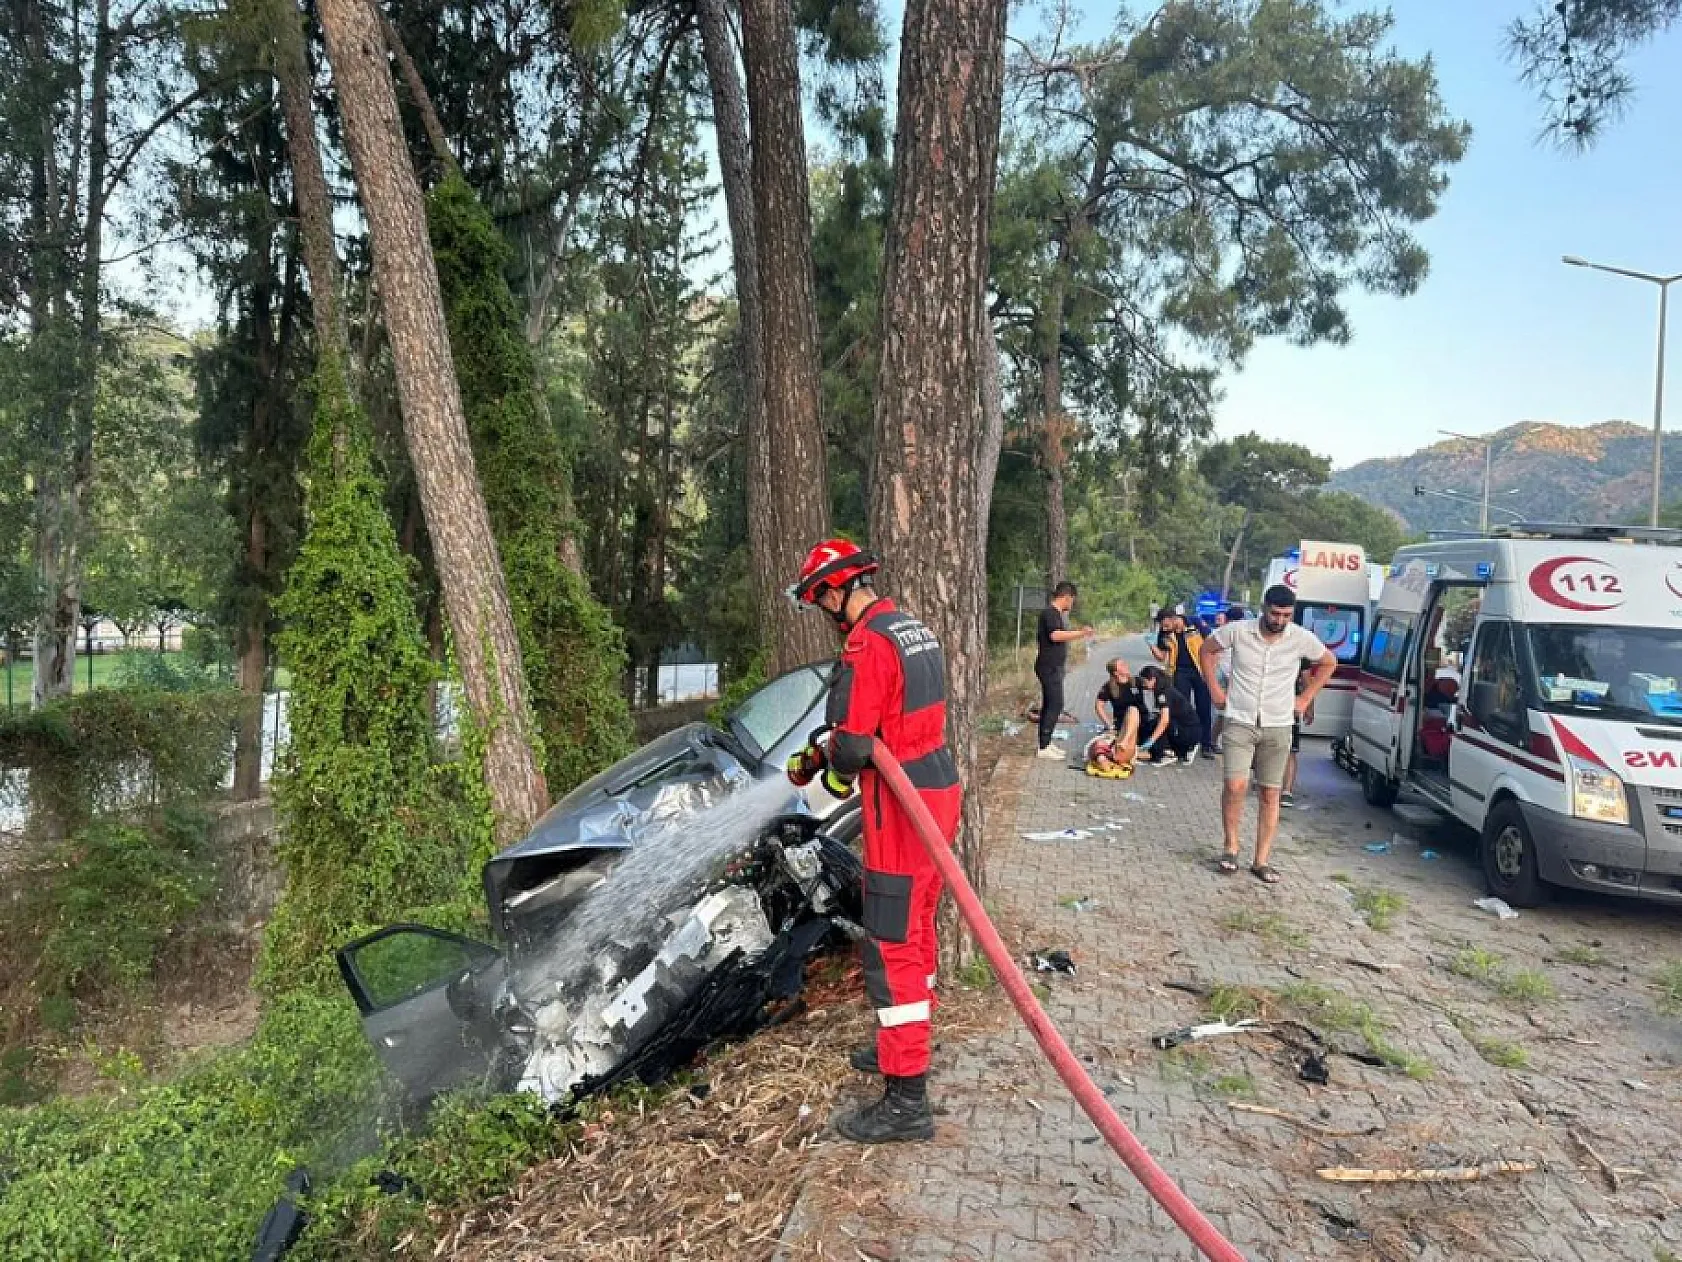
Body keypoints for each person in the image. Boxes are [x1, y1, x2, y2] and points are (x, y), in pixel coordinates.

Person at [785, 539, 961, 1144]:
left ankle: (906, 1098)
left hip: (900, 806)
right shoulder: (914, 628)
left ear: (836, 591)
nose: (825, 613)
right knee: (917, 926)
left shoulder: (866, 643)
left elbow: (855, 746)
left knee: (890, 944)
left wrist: (822, 768)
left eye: (821, 601)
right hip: (939, 790)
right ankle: (907, 1042)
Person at [1199, 585, 1335, 883]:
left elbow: (1328, 662)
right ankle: (1231, 847)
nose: (1280, 620)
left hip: (1278, 722)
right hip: (1239, 718)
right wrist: (1214, 689)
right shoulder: (1237, 631)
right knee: (1235, 785)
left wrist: (1305, 699)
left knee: (1270, 791)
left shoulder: (1300, 637)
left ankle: (1261, 860)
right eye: (1275, 613)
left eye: (1286, 615)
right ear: (1264, 608)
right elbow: (1206, 650)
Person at [1034, 581, 1095, 761]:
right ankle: (1043, 746)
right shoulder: (1050, 613)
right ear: (1066, 597)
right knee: (1055, 704)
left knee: (1050, 704)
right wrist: (1081, 633)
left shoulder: (1056, 614)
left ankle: (1045, 743)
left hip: (1054, 667)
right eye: (1072, 600)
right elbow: (1055, 635)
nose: (1072, 604)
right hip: (1048, 667)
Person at [1151, 607, 1215, 758]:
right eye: (1162, 627)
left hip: (1200, 670)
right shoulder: (1164, 633)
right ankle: (1183, 743)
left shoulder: (1195, 623)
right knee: (1181, 709)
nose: (1164, 629)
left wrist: (1211, 668)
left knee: (1204, 708)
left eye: (1166, 625)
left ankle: (1206, 744)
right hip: (1179, 672)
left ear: (1174, 618)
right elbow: (1161, 657)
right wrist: (1151, 645)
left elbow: (1212, 645)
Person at [1090, 659, 1146, 775]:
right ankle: (1108, 756)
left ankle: (1126, 744)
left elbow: (1153, 684)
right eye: (1122, 664)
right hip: (1123, 723)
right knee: (1099, 743)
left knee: (1134, 709)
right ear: (1116, 672)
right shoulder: (1109, 687)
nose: (1126, 665)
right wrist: (1109, 724)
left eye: (1125, 663)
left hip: (1143, 722)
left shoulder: (1136, 681)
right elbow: (1098, 705)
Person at [1135, 665, 1200, 765]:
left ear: (1153, 679)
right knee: (1151, 722)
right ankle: (1179, 751)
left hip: (1187, 731)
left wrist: (1152, 740)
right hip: (1187, 728)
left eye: (1144, 681)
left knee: (1158, 724)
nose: (1143, 685)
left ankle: (1167, 753)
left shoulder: (1163, 694)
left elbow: (1164, 720)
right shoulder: (1164, 688)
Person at [1281, 661, 1317, 809]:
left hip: (1289, 706)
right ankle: (1281, 789)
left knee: (1290, 750)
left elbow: (1307, 682)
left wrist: (1309, 706)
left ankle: (1286, 790)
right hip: (1273, 704)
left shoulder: (1299, 650)